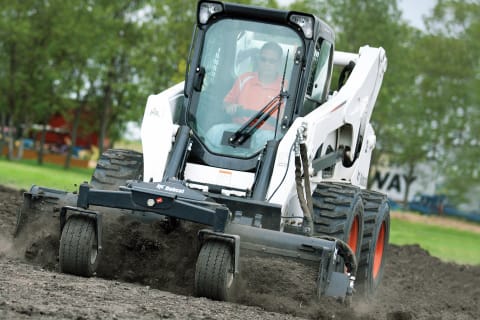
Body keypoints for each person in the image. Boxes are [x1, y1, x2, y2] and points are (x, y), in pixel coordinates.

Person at [205, 42, 285, 154]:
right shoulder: (244, 79)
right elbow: (226, 104)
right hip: (238, 128)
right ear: (258, 60)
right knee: (214, 133)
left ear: (279, 63)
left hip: (266, 133)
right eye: (263, 59)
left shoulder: (285, 88)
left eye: (272, 61)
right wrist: (230, 107)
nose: (267, 64)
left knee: (273, 143)